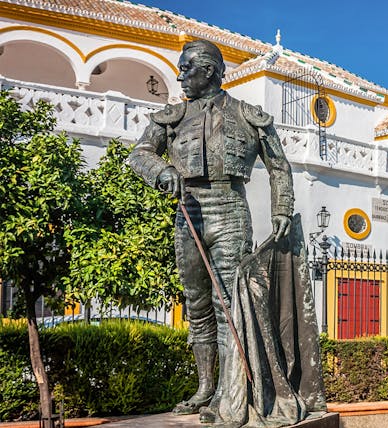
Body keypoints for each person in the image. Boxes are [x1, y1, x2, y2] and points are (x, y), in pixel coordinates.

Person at [128, 39, 325, 426]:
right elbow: (139, 154)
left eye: (188, 68)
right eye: (181, 68)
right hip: (189, 212)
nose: (181, 74)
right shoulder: (172, 117)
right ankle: (205, 387)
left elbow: (279, 166)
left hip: (231, 210)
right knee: (196, 303)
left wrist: (281, 208)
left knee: (228, 305)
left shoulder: (247, 115)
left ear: (211, 72)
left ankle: (227, 394)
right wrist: (162, 172)